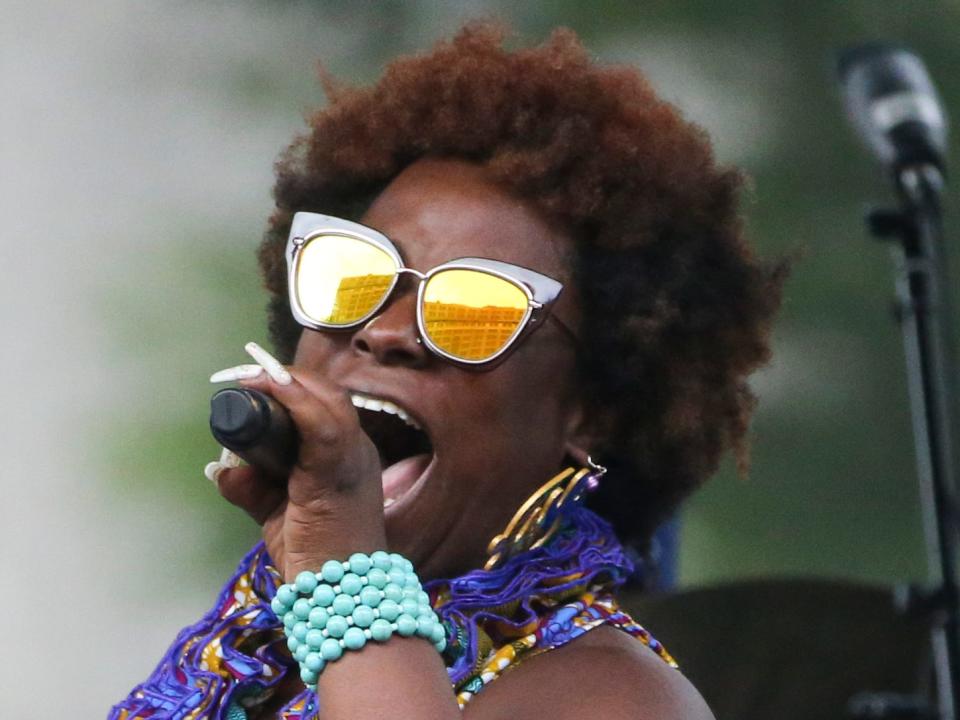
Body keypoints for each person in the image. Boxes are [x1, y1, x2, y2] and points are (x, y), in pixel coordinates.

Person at [112, 21, 784, 720]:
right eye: (355, 274)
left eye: (473, 306)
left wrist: (344, 573)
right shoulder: (250, 648)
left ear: (591, 410)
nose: (385, 330)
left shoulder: (615, 696)